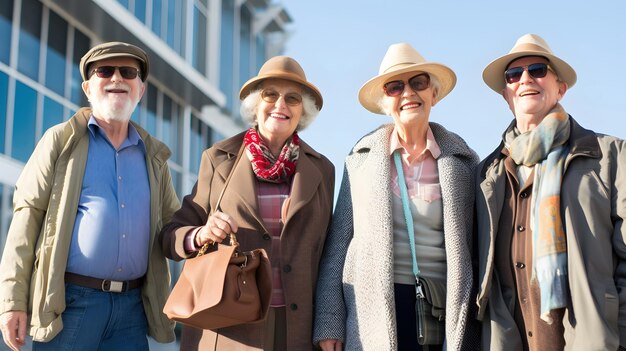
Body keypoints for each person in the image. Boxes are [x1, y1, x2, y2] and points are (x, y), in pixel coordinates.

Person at [0, 41, 180, 351]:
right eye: (105, 71)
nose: (117, 79)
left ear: (141, 90)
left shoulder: (154, 158)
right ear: (87, 87)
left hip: (132, 311)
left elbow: (175, 225)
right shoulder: (60, 141)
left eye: (128, 72)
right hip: (71, 306)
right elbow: (26, 219)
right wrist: (12, 301)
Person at [160, 55, 334, 350]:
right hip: (229, 326)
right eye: (271, 94)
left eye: (292, 98)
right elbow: (171, 236)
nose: (280, 105)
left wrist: (331, 323)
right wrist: (200, 234)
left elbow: (331, 256)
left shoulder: (323, 170)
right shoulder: (217, 160)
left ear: (302, 111)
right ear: (256, 103)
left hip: (298, 329)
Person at [314, 43, 480, 351]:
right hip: (373, 311)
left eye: (418, 83)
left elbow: (477, 247)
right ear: (385, 102)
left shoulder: (465, 161)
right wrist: (329, 320)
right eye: (395, 87)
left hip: (444, 307)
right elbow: (338, 244)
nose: (408, 93)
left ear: (433, 93)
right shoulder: (361, 159)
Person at [475, 33, 626, 351]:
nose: (525, 79)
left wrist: (616, 333)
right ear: (506, 94)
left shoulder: (610, 155)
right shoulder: (486, 173)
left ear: (561, 88)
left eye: (538, 69)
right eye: (514, 75)